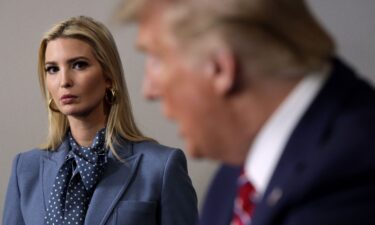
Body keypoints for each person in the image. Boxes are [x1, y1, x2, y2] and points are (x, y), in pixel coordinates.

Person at [118, 0, 375, 224]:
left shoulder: (352, 180)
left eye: (157, 59)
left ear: (219, 68)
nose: (148, 90)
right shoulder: (237, 174)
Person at [2, 16, 198, 225]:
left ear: (109, 77)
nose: (64, 81)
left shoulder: (161, 167)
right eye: (52, 69)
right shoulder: (25, 169)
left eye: (78, 65)